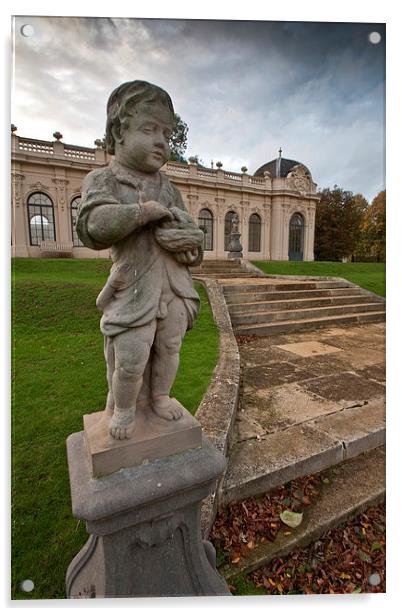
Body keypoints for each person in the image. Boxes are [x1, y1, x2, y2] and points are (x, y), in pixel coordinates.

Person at [76, 80, 204, 440]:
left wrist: (192, 244)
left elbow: (194, 243)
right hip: (133, 288)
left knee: (169, 348)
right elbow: (93, 226)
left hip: (174, 285)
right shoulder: (103, 179)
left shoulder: (171, 188)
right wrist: (141, 212)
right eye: (150, 129)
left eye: (167, 132)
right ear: (118, 132)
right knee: (130, 359)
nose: (162, 141)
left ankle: (160, 396)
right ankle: (125, 408)